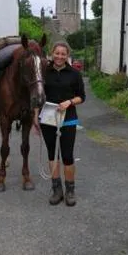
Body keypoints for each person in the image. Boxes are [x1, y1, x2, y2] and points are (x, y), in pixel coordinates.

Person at [36, 41, 86, 206]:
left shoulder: (74, 74)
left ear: (67, 56)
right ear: (52, 53)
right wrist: (35, 118)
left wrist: (69, 102)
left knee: (67, 155)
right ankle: (56, 189)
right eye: (57, 53)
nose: (59, 56)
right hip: (48, 119)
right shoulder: (44, 72)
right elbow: (38, 95)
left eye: (63, 54)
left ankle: (70, 190)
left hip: (68, 118)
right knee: (52, 154)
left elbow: (81, 97)